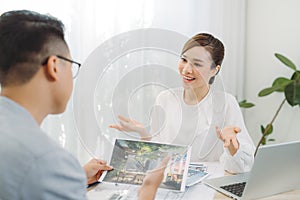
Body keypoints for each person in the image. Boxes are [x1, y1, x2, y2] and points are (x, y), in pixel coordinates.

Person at [0, 10, 165, 200]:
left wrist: (74, 180)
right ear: (54, 67)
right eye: (71, 65)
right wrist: (147, 193)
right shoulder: (47, 160)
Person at [110, 33, 256, 173]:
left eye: (197, 64)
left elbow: (243, 167)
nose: (186, 70)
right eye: (184, 60)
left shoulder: (226, 103)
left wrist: (232, 145)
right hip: (170, 186)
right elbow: (155, 157)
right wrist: (143, 132)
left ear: (214, 70)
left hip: (207, 188)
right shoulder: (165, 99)